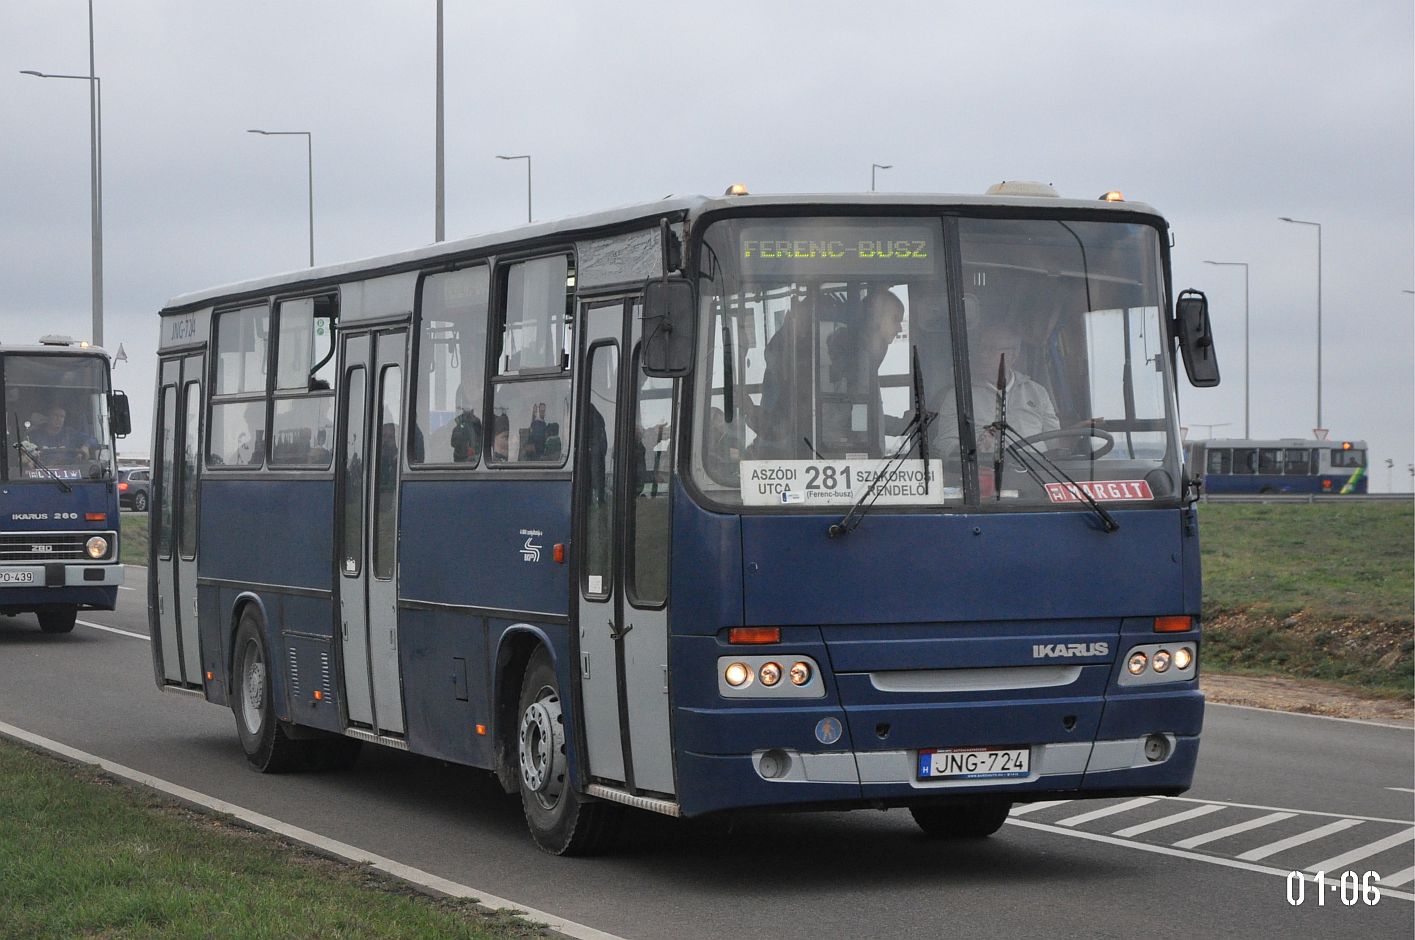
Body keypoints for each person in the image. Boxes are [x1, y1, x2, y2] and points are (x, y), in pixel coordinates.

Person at [937, 318, 1059, 457]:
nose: (983, 354)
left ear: (1013, 355)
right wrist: (974, 450)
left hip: (1039, 473)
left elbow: (1054, 442)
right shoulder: (959, 396)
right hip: (987, 474)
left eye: (991, 349)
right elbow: (945, 445)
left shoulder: (1037, 392)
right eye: (981, 348)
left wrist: (1077, 434)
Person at [28, 404, 97, 458]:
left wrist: (86, 446)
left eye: (62, 416)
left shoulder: (70, 433)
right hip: (43, 470)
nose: (59, 419)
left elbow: (93, 439)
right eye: (55, 415)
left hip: (68, 471)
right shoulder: (35, 435)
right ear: (48, 416)